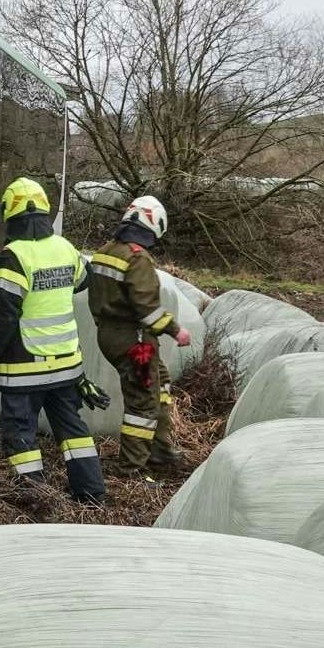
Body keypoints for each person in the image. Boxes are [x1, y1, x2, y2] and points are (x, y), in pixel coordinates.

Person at [0, 178, 105, 504]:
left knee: (20, 434)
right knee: (73, 431)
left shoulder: (13, 257)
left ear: (9, 213)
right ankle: (91, 494)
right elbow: (84, 279)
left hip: (24, 369)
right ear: (45, 210)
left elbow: (1, 315)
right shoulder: (66, 248)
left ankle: (36, 500)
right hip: (66, 367)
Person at [87, 195, 190, 475]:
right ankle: (132, 467)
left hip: (109, 335)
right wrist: (176, 330)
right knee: (142, 403)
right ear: (154, 224)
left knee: (161, 384)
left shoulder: (106, 250)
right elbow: (148, 311)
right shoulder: (137, 257)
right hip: (136, 343)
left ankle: (160, 451)